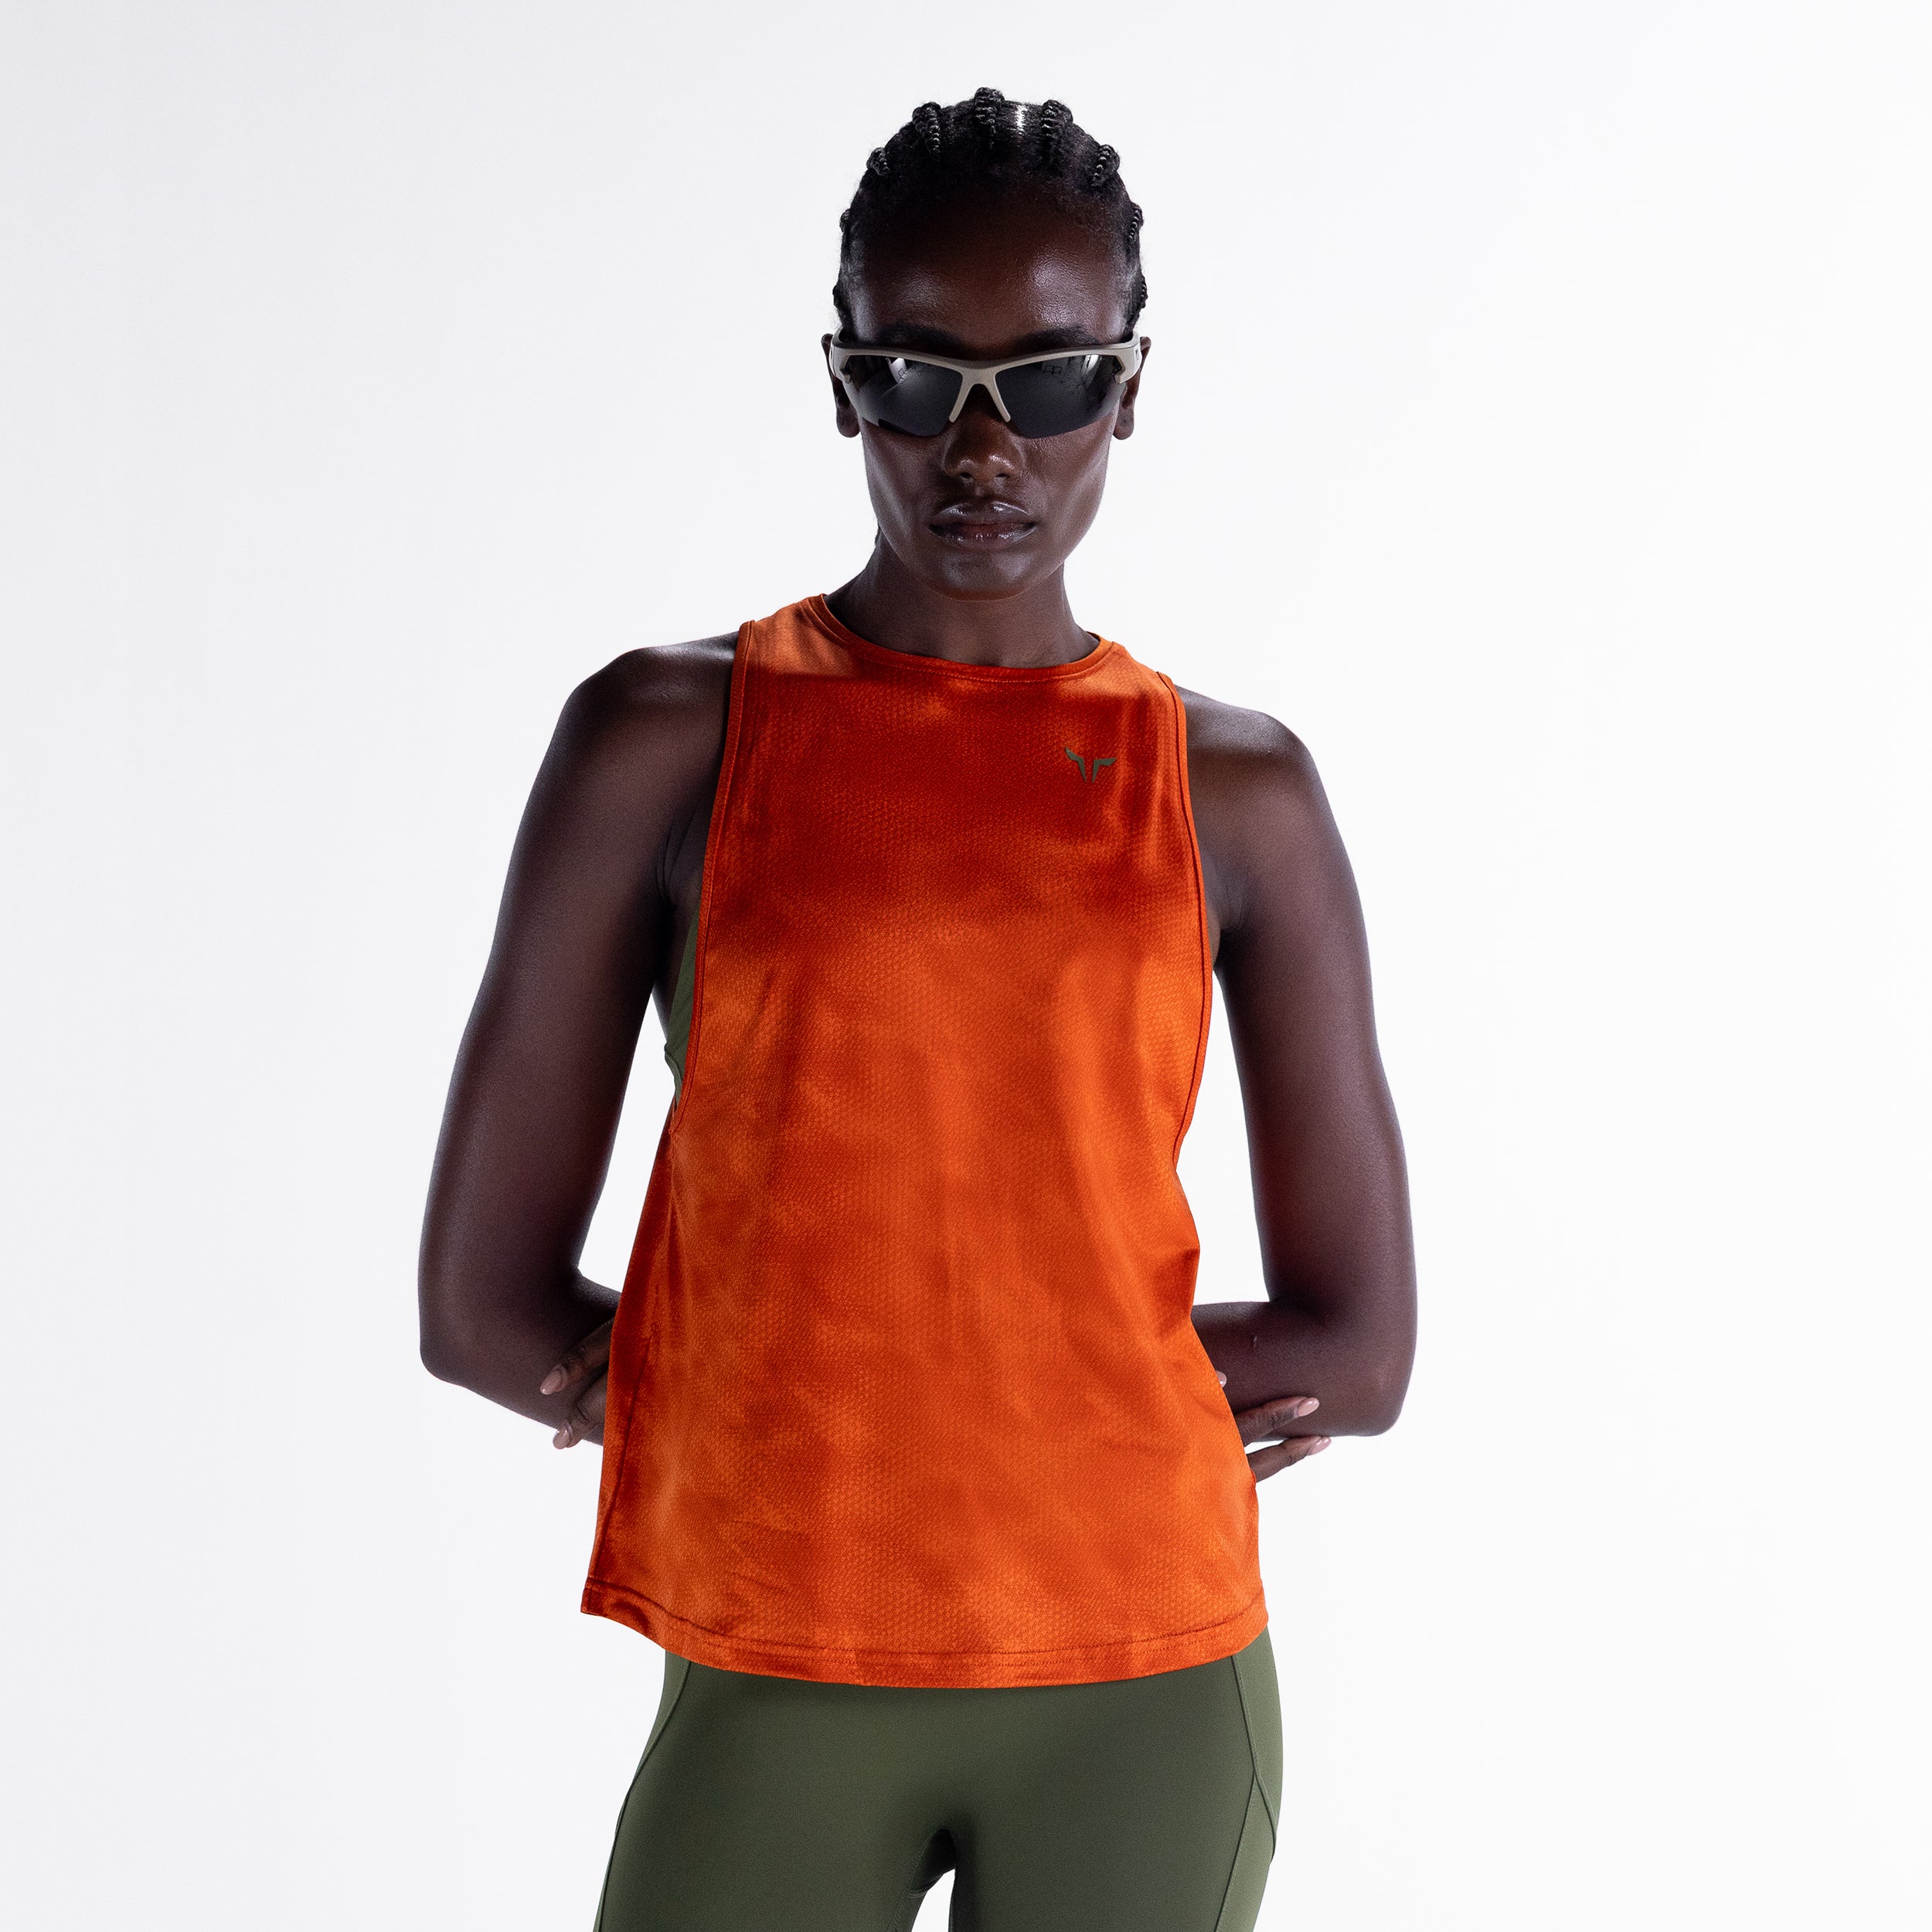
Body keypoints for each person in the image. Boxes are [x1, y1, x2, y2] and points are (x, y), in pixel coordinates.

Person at [419, 87, 1416, 1932]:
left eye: (1048, 380)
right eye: (912, 377)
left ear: (1128, 387)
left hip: (1147, 1682)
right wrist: (767, 1379)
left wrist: (1006, 1380)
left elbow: (1362, 1346)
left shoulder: (1233, 787)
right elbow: (478, 1306)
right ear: (838, 379)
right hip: (775, 1649)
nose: (979, 445)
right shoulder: (666, 736)